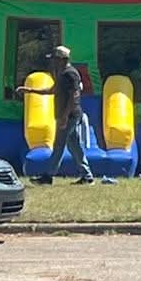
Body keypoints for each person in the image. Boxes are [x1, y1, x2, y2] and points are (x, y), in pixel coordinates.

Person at [19, 45, 93, 184]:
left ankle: (48, 176)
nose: (52, 62)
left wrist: (64, 116)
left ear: (62, 59)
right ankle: (87, 176)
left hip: (70, 115)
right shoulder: (61, 73)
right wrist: (30, 90)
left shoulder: (70, 74)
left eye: (55, 59)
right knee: (74, 146)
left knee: (58, 145)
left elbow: (74, 96)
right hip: (65, 115)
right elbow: (52, 90)